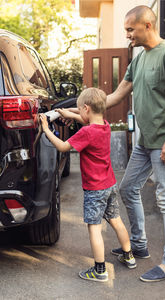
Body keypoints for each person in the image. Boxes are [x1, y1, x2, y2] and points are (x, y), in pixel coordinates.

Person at [106, 5, 165, 282]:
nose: (128, 35)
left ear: (148, 25)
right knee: (128, 187)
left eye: (131, 29)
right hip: (145, 141)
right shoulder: (139, 58)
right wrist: (82, 109)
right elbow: (117, 94)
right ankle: (140, 245)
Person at [39, 87, 136, 283]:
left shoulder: (86, 132)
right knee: (116, 219)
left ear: (86, 108)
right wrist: (69, 113)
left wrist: (46, 129)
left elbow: (64, 146)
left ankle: (100, 270)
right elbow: (86, 119)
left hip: (95, 189)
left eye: (78, 109)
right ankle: (129, 255)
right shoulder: (105, 125)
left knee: (94, 227)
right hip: (109, 184)